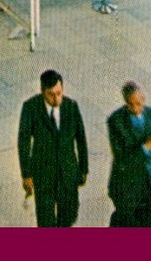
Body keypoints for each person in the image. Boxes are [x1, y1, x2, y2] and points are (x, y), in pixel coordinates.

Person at [17, 69, 90, 227]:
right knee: (45, 220)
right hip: (44, 175)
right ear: (43, 92)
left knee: (70, 214)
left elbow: (81, 140)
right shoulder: (30, 108)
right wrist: (26, 174)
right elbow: (23, 142)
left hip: (67, 173)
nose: (56, 98)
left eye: (59, 93)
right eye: (51, 94)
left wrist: (83, 169)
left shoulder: (71, 106)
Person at [107, 81, 151, 226]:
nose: (136, 109)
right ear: (125, 103)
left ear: (143, 99)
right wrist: (145, 149)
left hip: (149, 183)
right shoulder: (115, 121)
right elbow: (122, 159)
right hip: (126, 184)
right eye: (131, 105)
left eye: (139, 103)